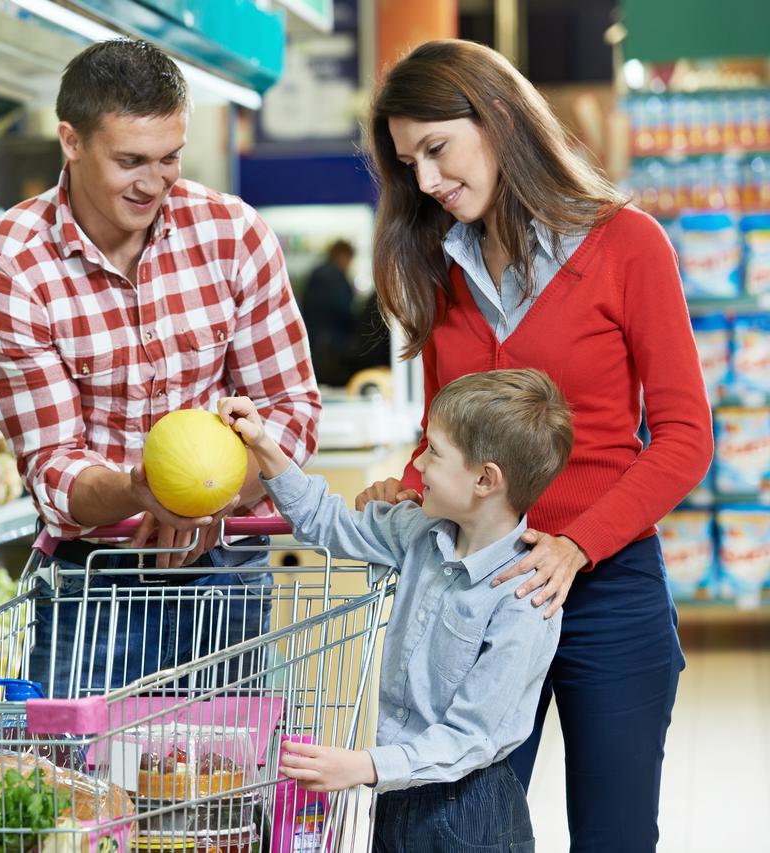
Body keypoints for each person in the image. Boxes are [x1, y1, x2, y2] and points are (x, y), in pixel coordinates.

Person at [354, 40, 713, 851]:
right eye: (409, 163)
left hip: (607, 590)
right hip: (477, 596)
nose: (426, 181)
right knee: (460, 830)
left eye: (437, 149)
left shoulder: (629, 245)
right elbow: (451, 432)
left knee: (613, 835)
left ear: (500, 117)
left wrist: (576, 545)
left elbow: (686, 438)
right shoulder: (441, 266)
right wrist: (412, 481)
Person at [0, 39, 320, 698]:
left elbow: (291, 408)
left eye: (169, 159)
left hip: (227, 572)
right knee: (87, 793)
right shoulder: (11, 271)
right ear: (70, 141)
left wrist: (213, 493)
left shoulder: (233, 234)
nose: (154, 183)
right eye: (130, 161)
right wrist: (141, 489)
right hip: (98, 581)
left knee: (225, 787)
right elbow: (53, 466)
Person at [220, 367, 574, 853]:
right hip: (394, 797)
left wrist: (363, 766)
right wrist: (262, 444)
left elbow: (472, 737)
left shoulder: (526, 598)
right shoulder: (418, 533)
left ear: (485, 480)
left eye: (434, 451)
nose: (419, 466)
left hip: (470, 816)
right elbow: (326, 522)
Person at [301, 239, 357, 387]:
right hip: (333, 347)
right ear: (342, 255)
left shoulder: (316, 273)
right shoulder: (335, 277)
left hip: (315, 343)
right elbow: (344, 309)